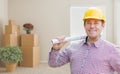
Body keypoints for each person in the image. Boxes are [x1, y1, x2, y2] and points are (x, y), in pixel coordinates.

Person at [48, 7, 120, 74]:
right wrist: (55, 49)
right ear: (84, 25)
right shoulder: (73, 47)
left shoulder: (112, 50)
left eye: (96, 23)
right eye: (88, 23)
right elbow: (53, 63)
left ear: (103, 25)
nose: (92, 26)